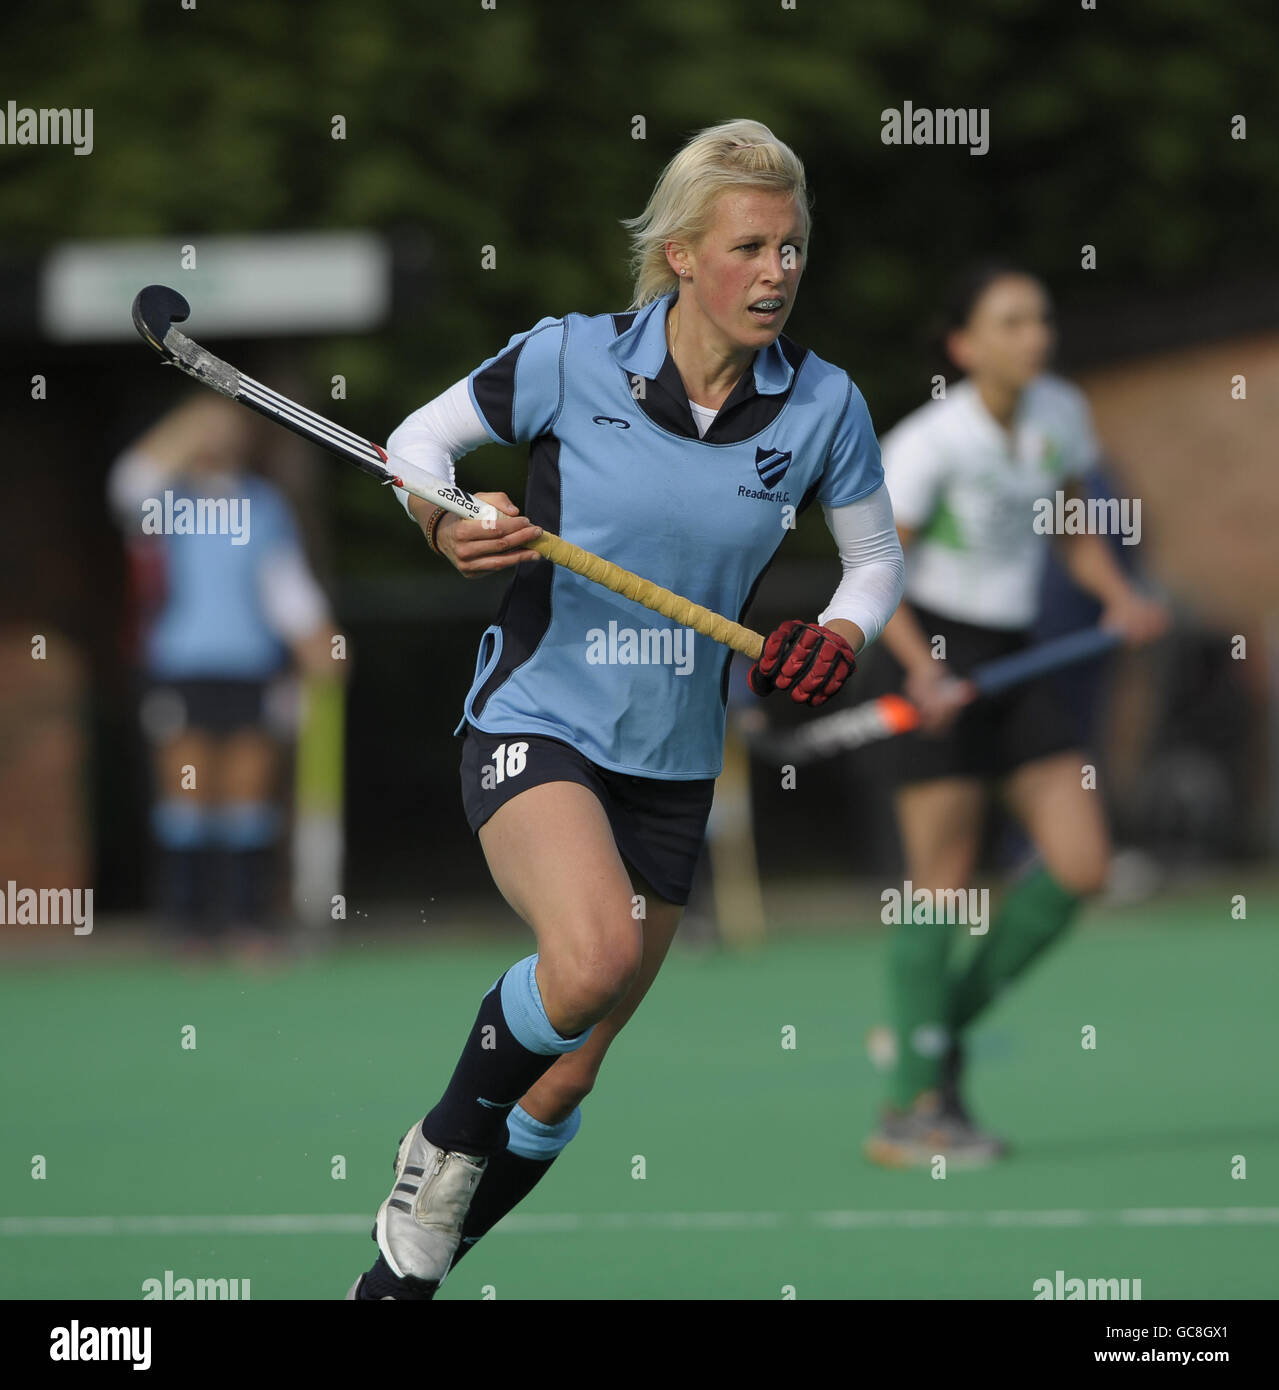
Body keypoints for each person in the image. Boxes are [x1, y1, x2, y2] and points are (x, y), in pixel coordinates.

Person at [346, 118, 905, 1299]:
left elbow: (872, 561)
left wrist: (842, 635)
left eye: (792, 249)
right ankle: (441, 1142)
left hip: (674, 756)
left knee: (563, 1082)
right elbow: (416, 442)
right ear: (685, 256)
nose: (776, 273)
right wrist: (444, 520)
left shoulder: (823, 406)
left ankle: (393, 1291)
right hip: (538, 716)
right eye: (750, 247)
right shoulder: (568, 358)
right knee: (589, 955)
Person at [860, 261, 1169, 1167]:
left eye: (1038, 319)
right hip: (927, 653)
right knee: (944, 882)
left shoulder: (1060, 413)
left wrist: (1117, 596)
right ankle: (907, 1109)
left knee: (1080, 865)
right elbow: (875, 573)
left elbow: (1073, 531)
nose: (1034, 336)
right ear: (964, 346)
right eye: (1010, 322)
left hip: (1016, 657)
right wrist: (922, 672)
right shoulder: (926, 444)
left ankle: (931, 1033)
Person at [109, 395, 339, 958]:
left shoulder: (264, 506)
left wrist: (319, 639)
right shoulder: (165, 501)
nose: (221, 436)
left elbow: (286, 587)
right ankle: (186, 925)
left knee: (248, 794)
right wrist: (188, 429)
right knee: (187, 793)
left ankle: (245, 922)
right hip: (181, 668)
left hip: (252, 669)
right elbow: (126, 483)